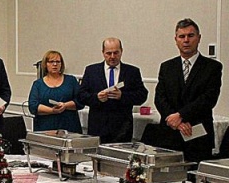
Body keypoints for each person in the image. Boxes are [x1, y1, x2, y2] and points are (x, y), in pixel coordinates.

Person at [154, 18, 223, 163]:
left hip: (197, 136)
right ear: (176, 40)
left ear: (199, 38)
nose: (186, 40)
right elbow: (160, 98)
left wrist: (181, 115)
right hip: (170, 135)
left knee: (194, 175)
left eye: (190, 36)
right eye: (182, 36)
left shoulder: (212, 67)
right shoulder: (167, 67)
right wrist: (176, 122)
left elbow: (208, 99)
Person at [78, 37, 148, 143]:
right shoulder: (91, 71)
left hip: (122, 128)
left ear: (121, 51)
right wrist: (96, 97)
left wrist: (122, 96)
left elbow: (142, 95)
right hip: (98, 127)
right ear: (103, 52)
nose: (112, 57)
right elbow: (81, 96)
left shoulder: (132, 72)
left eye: (116, 53)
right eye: (108, 53)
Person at [28, 50, 83, 133]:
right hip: (45, 126)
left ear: (61, 64)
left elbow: (80, 101)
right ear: (45, 64)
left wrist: (65, 105)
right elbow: (33, 106)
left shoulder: (71, 80)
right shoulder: (38, 84)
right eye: (51, 62)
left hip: (69, 125)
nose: (55, 64)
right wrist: (52, 110)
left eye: (58, 62)